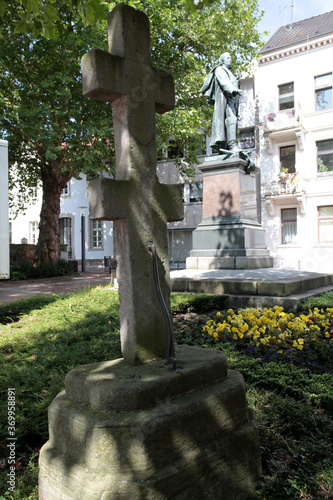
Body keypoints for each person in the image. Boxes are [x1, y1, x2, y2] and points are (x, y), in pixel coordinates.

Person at [200, 52, 242, 152]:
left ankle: (230, 145)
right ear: (222, 60)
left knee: (232, 120)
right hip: (224, 100)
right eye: (228, 58)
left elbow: (232, 84)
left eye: (230, 58)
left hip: (229, 100)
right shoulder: (219, 69)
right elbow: (225, 82)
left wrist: (237, 80)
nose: (230, 59)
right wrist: (233, 89)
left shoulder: (230, 73)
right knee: (231, 118)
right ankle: (231, 145)